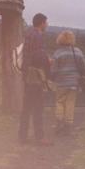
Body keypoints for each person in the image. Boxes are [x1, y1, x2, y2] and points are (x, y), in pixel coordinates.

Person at [18, 13, 52, 146]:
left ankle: (22, 136)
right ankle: (40, 137)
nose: (47, 24)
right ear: (41, 23)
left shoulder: (29, 34)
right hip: (35, 76)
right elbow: (39, 56)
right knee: (38, 107)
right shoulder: (37, 36)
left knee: (26, 107)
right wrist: (48, 63)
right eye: (46, 22)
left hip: (27, 75)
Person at [51, 30, 85, 135]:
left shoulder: (57, 53)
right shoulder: (78, 51)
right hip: (74, 82)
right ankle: (68, 126)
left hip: (61, 82)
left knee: (59, 102)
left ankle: (59, 123)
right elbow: (84, 66)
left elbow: (53, 69)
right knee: (70, 103)